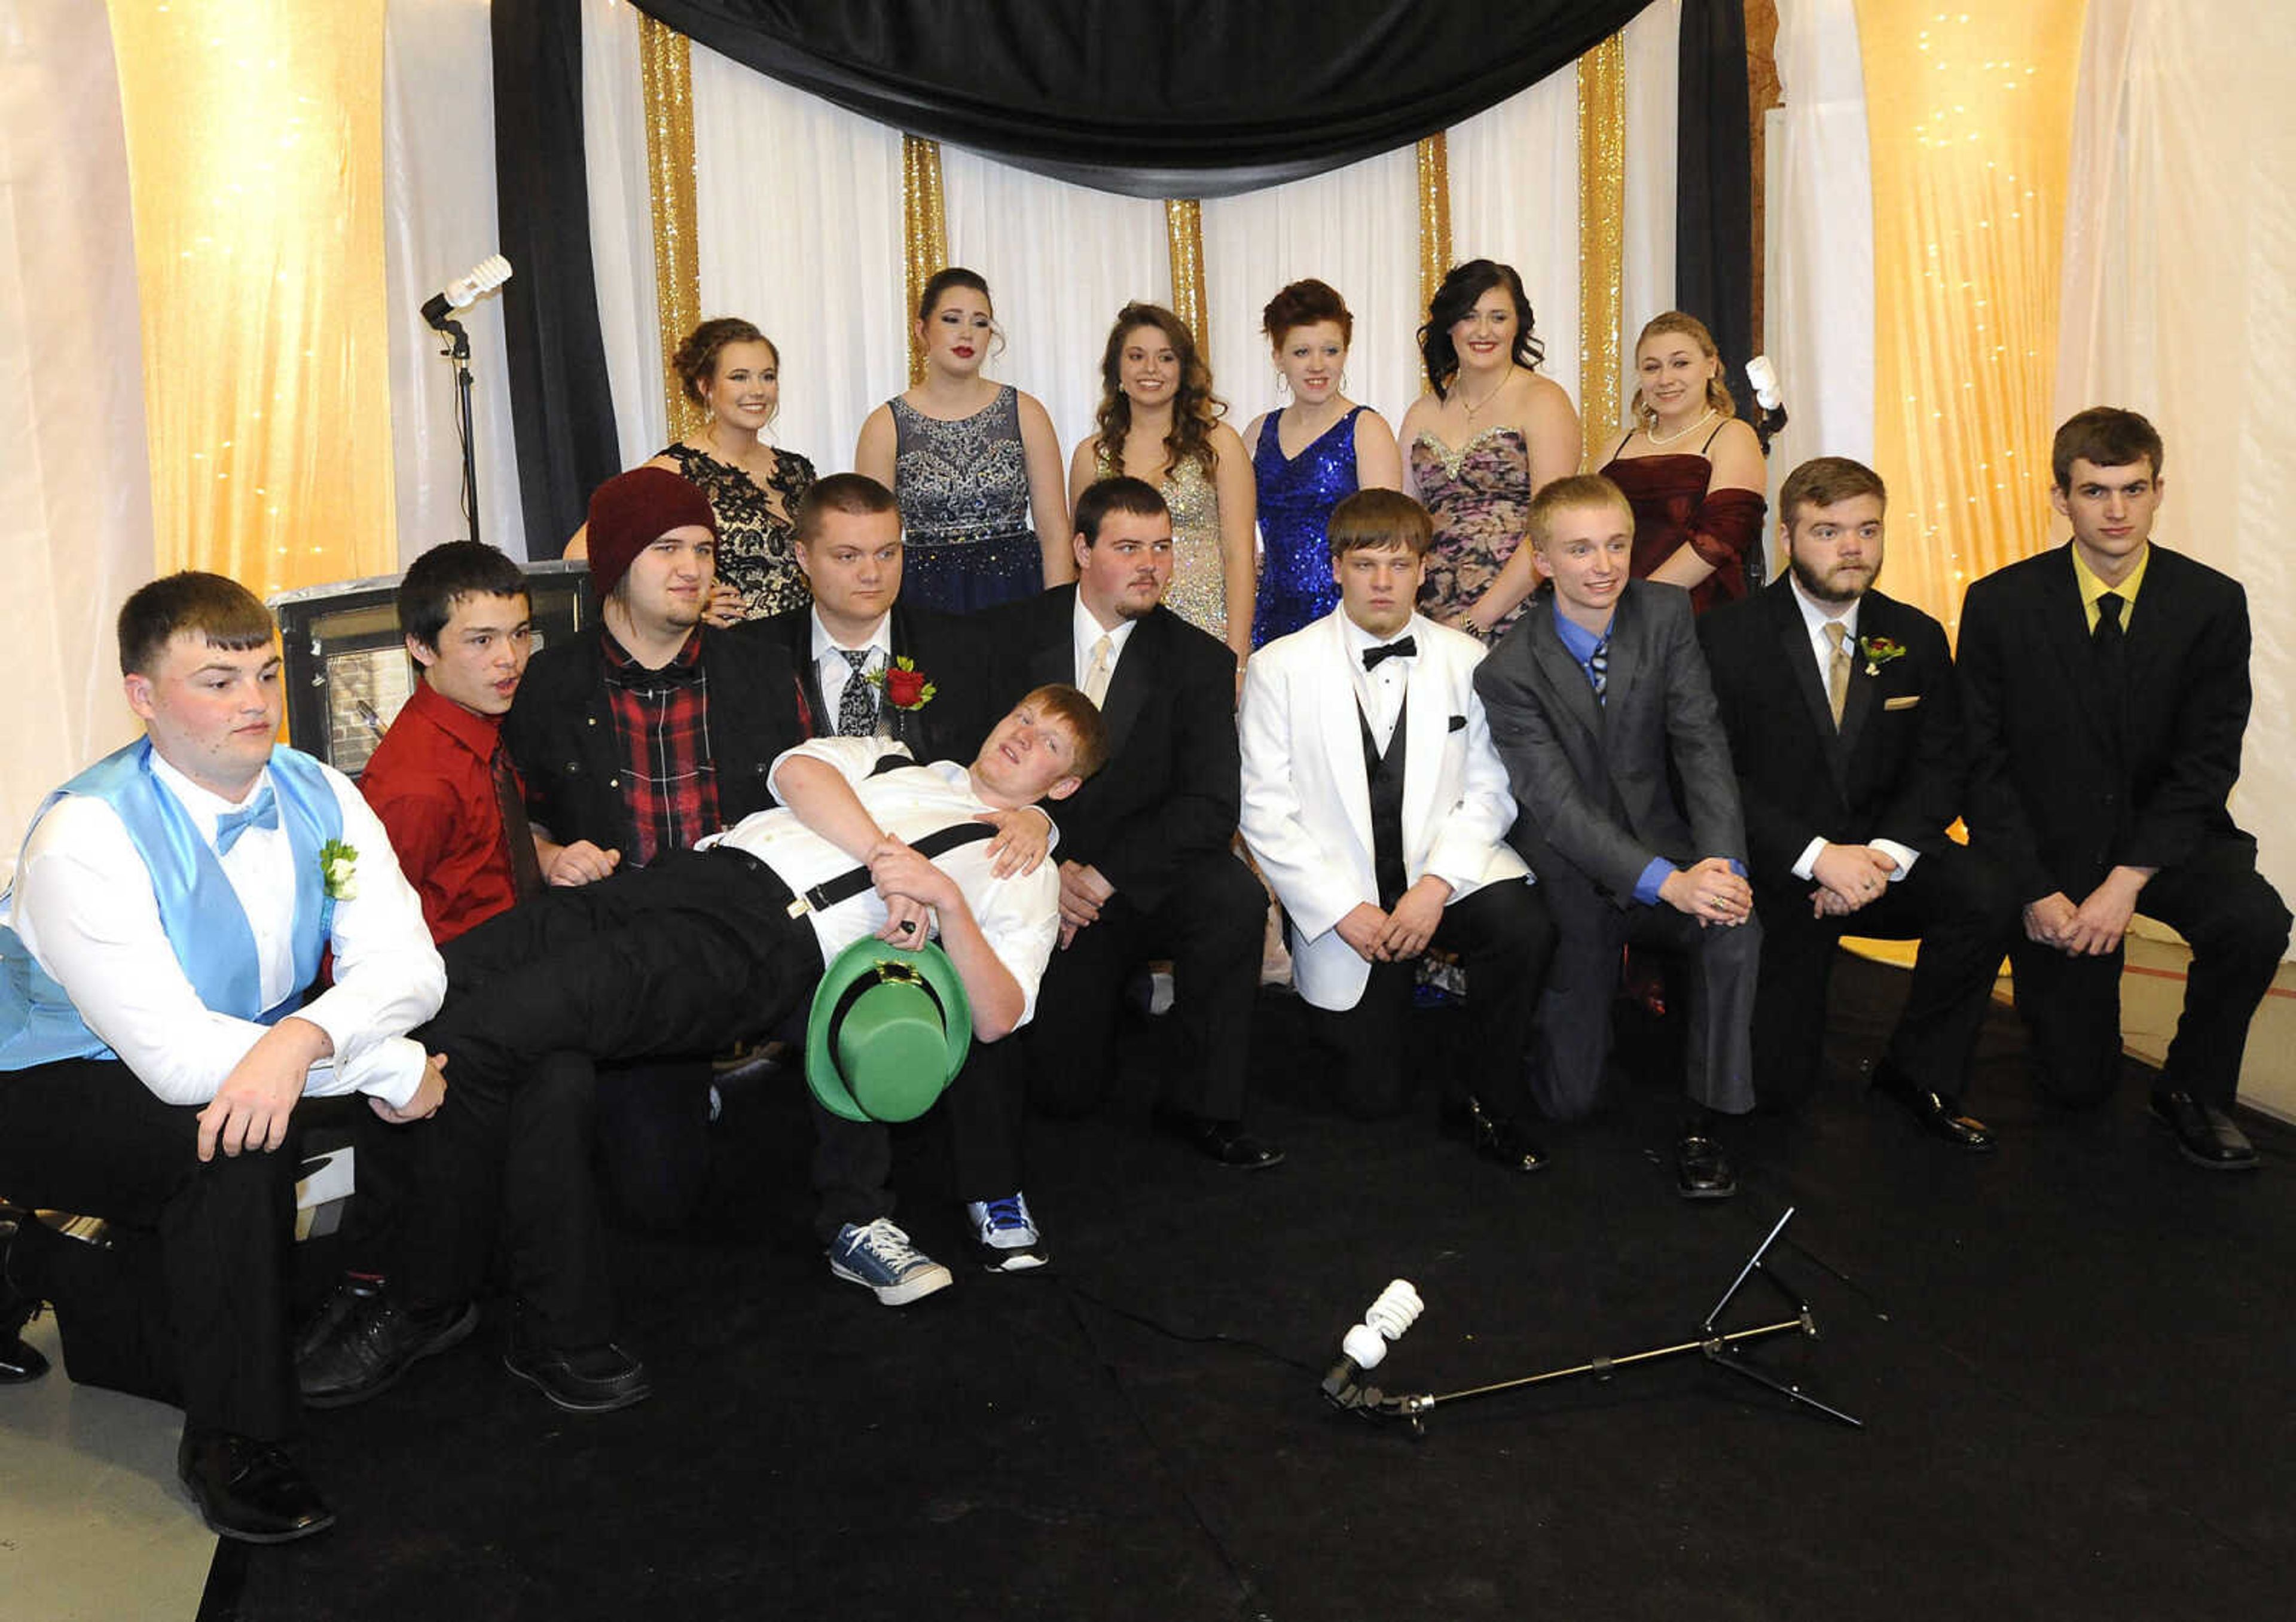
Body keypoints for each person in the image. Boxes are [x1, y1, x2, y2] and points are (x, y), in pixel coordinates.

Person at [0, 572, 446, 1543]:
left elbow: (411, 966)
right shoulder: (85, 834)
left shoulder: (316, 785)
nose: (254, 702)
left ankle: (396, 1300)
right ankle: (235, 1440)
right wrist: (376, 1064)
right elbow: (172, 1058)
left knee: (445, 1049)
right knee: (237, 1134)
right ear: (142, 695)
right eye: (215, 680)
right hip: (39, 1077)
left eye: (265, 673)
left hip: (238, 1043)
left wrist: (309, 1037)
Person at [418, 690, 1109, 1305]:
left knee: (521, 1013)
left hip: (766, 940)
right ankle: (352, 1055)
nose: (1022, 735)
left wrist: (948, 902)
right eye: (1021, 715)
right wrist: (887, 859)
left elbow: (999, 1017)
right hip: (694, 873)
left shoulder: (1026, 871)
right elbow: (794, 771)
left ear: (1067, 784)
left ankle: (424, 1280)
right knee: (462, 966)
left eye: (1049, 741)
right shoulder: (895, 757)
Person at [298, 541, 642, 1416]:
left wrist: (551, 854)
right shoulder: (413, 780)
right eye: (482, 641)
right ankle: (456, 1308)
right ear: (421, 648)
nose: (510, 660)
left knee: (568, 1070)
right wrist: (381, 1053)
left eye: (519, 636)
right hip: (443, 993)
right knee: (557, 1083)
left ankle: (496, 1311)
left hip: (508, 961)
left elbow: (494, 835)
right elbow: (354, 931)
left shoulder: (477, 735)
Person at [1958, 408, 2290, 1170]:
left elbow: (2206, 763)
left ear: (2159, 491)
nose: (2116, 511)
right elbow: (1982, 763)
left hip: (2168, 842)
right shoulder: (2000, 603)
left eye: (2133, 490)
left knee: (2254, 921)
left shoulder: (2212, 602)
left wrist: (2129, 881)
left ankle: (2194, 1090)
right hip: (2052, 856)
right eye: (2095, 491)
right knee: (2075, 1087)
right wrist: (2035, 889)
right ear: (2060, 499)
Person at [746, 473, 1054, 1274]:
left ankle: (994, 1185)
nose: (872, 574)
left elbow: (1022, 761)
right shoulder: (750, 656)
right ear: (802, 557)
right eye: (847, 556)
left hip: (944, 873)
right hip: (815, 877)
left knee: (990, 949)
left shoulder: (963, 645)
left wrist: (1041, 819)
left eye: (888, 553)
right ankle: (858, 1217)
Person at [505, 467, 804, 1230]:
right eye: (666, 549)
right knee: (657, 1206)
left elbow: (816, 806)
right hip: (635, 968)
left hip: (756, 945)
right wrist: (548, 859)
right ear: (615, 565)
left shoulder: (762, 673)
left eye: (703, 550)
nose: (692, 570)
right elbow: (520, 823)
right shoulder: (548, 687)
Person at [1697, 458, 2010, 1146]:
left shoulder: (1916, 634)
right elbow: (1713, 776)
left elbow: (1942, 762)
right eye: (1828, 531)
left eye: (1867, 530)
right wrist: (1816, 860)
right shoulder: (1727, 637)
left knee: (1985, 892)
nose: (1851, 549)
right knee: (1778, 1092)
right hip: (1780, 875)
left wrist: (1879, 859)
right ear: (1786, 537)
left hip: (1880, 862)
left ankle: (1918, 1072)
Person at [1240, 490, 1554, 1166]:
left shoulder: (1467, 659)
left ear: (1422, 570)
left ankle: (1488, 1095)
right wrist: (1339, 909)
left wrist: (1435, 886)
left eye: (1399, 564)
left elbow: (1491, 789)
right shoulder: (1278, 669)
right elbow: (1264, 811)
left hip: (1444, 879)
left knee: (1523, 924)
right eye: (1365, 564)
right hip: (1345, 900)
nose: (1383, 582)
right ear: (1334, 569)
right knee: (1371, 1100)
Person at [979, 477, 1279, 1166]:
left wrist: (1105, 877)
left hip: (1136, 883)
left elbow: (1210, 807)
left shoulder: (1200, 660)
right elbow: (973, 768)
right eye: (1128, 547)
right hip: (1035, 881)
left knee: (1233, 898)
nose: (1152, 564)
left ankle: (1206, 1105)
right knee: (1065, 1097)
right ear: (1082, 549)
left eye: (1163, 547)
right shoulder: (1006, 635)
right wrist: (1053, 871)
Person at [1473, 475, 1758, 1199]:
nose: (1603, 565)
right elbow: (1559, 809)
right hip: (1574, 873)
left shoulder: (1664, 613)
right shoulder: (1507, 671)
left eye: (1616, 544)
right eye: (1579, 549)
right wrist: (1669, 881)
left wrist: (1718, 865)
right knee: (1569, 1101)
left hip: (1670, 847)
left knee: (1735, 927)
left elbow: (1701, 745)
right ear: (1541, 561)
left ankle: (1707, 1122)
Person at [566, 316, 819, 626]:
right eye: (740, 377)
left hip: (807, 646)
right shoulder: (674, 470)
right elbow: (581, 555)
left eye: (767, 376)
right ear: (706, 386)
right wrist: (688, 600)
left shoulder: (797, 470)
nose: (757, 390)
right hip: (732, 651)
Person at [853, 267, 1069, 611]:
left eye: (981, 322)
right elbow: (870, 541)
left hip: (1018, 595)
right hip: (924, 603)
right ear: (921, 330)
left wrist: (1058, 619)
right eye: (952, 319)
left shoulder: (1026, 413)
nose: (967, 334)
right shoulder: (884, 426)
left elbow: (1056, 533)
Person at [1399, 260, 1582, 644]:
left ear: (1518, 325)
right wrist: (1409, 617)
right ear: (1450, 325)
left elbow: (1549, 526)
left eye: (1498, 317)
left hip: (1520, 615)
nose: (1484, 331)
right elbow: (1402, 525)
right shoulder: (1422, 411)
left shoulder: (1544, 401)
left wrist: (1476, 619)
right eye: (1469, 317)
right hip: (1430, 622)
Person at [1070, 303, 1256, 666]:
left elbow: (1240, 555)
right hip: (1119, 633)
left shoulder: (1220, 444)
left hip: (1206, 632)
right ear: (1117, 370)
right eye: (1137, 356)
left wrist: (1236, 659)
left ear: (1184, 369)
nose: (1151, 369)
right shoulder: (1091, 456)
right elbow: (1081, 564)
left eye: (1166, 357)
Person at [1238, 279, 1404, 647]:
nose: (1317, 366)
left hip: (1347, 617)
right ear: (1277, 357)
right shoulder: (1257, 432)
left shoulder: (1367, 429)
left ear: (1346, 353)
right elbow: (1238, 537)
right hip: (1270, 616)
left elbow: (1387, 543)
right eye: (1301, 353)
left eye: (1330, 351)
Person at [1599, 311, 1769, 615]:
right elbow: (1577, 527)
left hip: (1697, 615)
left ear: (1710, 365)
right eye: (1652, 367)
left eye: (1680, 363)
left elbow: (1723, 536)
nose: (1665, 379)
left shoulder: (1732, 435)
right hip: (1608, 611)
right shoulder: (1616, 445)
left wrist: (1637, 606)